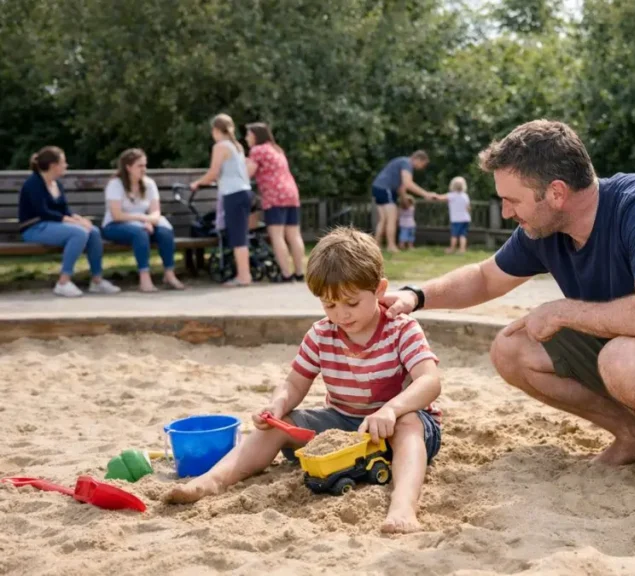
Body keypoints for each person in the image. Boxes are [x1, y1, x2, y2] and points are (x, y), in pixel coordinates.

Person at [381, 120, 635, 506]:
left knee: (623, 358)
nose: (506, 212)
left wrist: (563, 311)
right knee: (513, 348)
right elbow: (485, 278)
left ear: (556, 193)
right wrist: (415, 296)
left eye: (512, 200)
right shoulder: (544, 229)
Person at [163, 227, 443, 533]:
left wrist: (391, 409)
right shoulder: (322, 334)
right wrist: (277, 405)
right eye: (329, 305)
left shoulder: (401, 329)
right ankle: (213, 480)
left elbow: (429, 381)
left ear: (379, 289)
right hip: (343, 425)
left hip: (398, 427)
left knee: (409, 424)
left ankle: (403, 507)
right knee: (280, 424)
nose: (342, 315)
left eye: (351, 303)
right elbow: (295, 383)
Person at [17, 146, 121, 297]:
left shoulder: (57, 184)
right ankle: (63, 282)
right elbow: (43, 212)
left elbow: (64, 210)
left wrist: (79, 219)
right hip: (34, 228)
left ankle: (97, 280)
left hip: (53, 225)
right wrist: (74, 223)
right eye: (63, 162)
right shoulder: (33, 184)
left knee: (93, 231)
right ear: (53, 166)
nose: (66, 165)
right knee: (78, 233)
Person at [101, 148, 186, 292]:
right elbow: (117, 215)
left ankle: (169, 274)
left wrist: (148, 221)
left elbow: (156, 212)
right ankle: (144, 278)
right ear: (128, 167)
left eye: (145, 165)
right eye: (139, 166)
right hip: (115, 225)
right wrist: (142, 219)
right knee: (140, 232)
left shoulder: (149, 184)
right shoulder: (115, 184)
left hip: (144, 224)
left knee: (165, 232)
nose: (144, 169)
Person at [191, 113, 253, 286]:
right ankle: (244, 274)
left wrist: (197, 183)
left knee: (238, 237)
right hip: (244, 192)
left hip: (233, 194)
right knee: (241, 234)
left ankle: (243, 276)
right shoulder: (237, 146)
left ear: (216, 130)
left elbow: (213, 172)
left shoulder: (220, 146)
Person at [245, 122, 305, 282]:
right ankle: (300, 272)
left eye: (248, 135)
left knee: (277, 236)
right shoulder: (276, 149)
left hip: (274, 196)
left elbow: (247, 173)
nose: (246, 138)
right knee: (294, 235)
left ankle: (286, 274)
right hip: (291, 193)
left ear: (256, 136)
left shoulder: (257, 150)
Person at [370, 151, 432, 253]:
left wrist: (405, 201)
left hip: (377, 188)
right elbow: (408, 183)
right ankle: (391, 246)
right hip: (385, 189)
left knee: (383, 219)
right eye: (423, 164)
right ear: (418, 159)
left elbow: (401, 189)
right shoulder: (406, 163)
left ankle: (375, 246)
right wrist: (426, 194)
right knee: (392, 219)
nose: (422, 167)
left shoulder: (402, 162)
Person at [430, 176, 471, 254]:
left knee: (454, 234)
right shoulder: (465, 195)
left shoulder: (451, 195)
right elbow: (468, 208)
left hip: (456, 219)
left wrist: (433, 196)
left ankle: (452, 248)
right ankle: (462, 249)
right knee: (463, 235)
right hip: (466, 218)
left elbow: (440, 198)